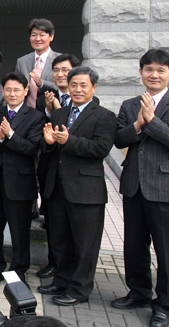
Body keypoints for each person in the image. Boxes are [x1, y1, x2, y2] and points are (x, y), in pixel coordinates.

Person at [112, 49, 169, 327]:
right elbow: (119, 140)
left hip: (166, 188)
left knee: (166, 252)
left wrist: (152, 120)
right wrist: (138, 122)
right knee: (134, 246)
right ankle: (138, 293)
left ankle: (164, 305)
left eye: (161, 70)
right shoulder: (129, 105)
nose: (154, 75)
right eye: (149, 69)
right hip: (134, 186)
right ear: (141, 72)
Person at [38, 67, 116, 306]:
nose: (78, 89)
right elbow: (50, 147)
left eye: (83, 85)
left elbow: (101, 148)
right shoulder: (60, 114)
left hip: (85, 191)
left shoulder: (104, 116)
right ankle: (61, 281)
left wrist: (69, 141)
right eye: (74, 85)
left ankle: (80, 289)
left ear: (94, 87)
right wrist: (48, 143)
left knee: (85, 244)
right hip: (57, 188)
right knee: (60, 240)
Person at [0, 72, 45, 285]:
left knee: (19, 231)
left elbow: (31, 148)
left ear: (26, 91)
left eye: (17, 90)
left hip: (19, 183)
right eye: (8, 89)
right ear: (3, 91)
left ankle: (18, 271)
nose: (12, 94)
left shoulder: (36, 117)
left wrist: (11, 135)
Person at [36, 53, 81, 279]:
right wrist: (48, 111)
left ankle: (72, 268)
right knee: (52, 220)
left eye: (65, 70)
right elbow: (38, 128)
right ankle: (53, 262)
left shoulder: (82, 99)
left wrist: (57, 110)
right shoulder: (45, 96)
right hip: (49, 167)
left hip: (74, 173)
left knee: (73, 223)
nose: (60, 74)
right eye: (56, 70)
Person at [15, 19, 60, 108]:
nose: (37, 39)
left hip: (52, 110)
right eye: (34, 35)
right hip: (26, 111)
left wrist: (42, 83)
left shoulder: (60, 60)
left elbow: (66, 86)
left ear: (51, 37)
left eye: (42, 35)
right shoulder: (22, 61)